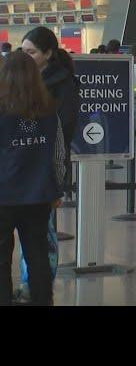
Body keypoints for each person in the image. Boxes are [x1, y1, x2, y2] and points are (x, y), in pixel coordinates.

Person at [0, 52, 66, 306]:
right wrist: (56, 188)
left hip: (3, 196)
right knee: (37, 254)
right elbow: (59, 154)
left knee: (2, 259)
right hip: (38, 196)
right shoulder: (49, 112)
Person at [19, 28, 80, 303]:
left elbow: (64, 127)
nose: (26, 57)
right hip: (22, 166)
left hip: (45, 167)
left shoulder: (63, 83)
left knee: (44, 231)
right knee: (27, 230)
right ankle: (27, 281)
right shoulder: (24, 80)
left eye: (31, 52)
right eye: (23, 52)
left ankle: (38, 285)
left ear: (47, 53)